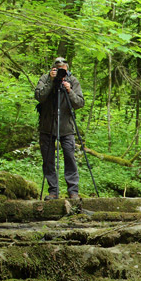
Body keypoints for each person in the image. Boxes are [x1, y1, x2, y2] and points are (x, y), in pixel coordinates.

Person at [35, 57, 86, 200]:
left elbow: (80, 103)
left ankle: (73, 191)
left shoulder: (73, 81)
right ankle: (53, 191)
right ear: (52, 69)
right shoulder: (45, 79)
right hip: (47, 125)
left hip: (66, 127)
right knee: (48, 159)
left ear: (67, 69)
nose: (60, 73)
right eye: (57, 70)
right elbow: (39, 96)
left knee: (70, 158)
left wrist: (69, 90)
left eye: (63, 70)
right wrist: (51, 82)